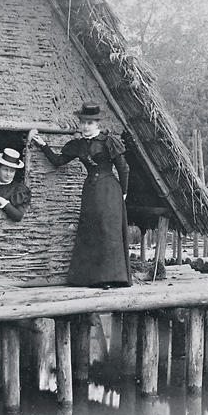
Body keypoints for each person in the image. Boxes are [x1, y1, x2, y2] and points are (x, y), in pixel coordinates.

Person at [29, 103, 130, 288]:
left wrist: (123, 192)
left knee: (107, 230)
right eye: (83, 122)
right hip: (90, 191)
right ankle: (90, 278)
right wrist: (43, 145)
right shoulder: (78, 145)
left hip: (109, 190)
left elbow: (123, 168)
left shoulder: (108, 141)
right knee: (90, 231)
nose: (85, 126)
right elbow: (58, 161)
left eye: (89, 122)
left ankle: (110, 278)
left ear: (97, 123)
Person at [0, 147, 31, 222]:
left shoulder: (19, 190)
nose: (8, 174)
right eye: (5, 169)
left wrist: (2, 201)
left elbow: (18, 216)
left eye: (12, 171)